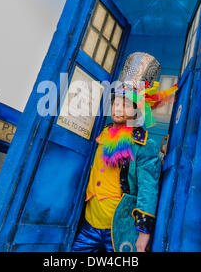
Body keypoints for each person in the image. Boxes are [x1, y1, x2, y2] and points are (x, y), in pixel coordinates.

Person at [71, 52, 178, 252]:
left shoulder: (144, 144)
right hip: (88, 223)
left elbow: (148, 189)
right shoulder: (101, 134)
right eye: (116, 102)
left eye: (126, 104)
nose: (119, 108)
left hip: (119, 227)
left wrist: (143, 234)